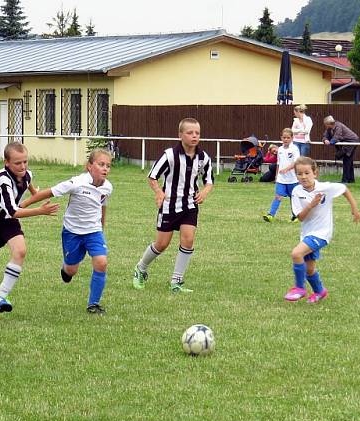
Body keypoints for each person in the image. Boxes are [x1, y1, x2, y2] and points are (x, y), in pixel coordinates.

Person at [0, 142, 59, 315]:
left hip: (8, 220)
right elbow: (13, 211)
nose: (23, 166)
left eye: (25, 161)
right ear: (6, 162)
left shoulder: (27, 174)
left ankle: (1, 297)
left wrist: (39, 198)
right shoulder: (3, 179)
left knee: (21, 251)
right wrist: (40, 211)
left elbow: (31, 191)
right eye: (18, 163)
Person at [19, 149, 114, 314]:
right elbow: (48, 192)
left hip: (93, 231)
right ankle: (66, 268)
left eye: (108, 165)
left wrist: (101, 228)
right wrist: (23, 205)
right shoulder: (76, 183)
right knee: (71, 270)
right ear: (89, 166)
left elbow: (102, 205)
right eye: (101, 164)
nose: (105, 168)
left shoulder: (108, 187)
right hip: (72, 232)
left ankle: (93, 304)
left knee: (101, 262)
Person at [133, 117, 214, 293]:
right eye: (190, 132)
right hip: (169, 205)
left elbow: (209, 181)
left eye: (197, 133)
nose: (194, 136)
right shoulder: (169, 155)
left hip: (190, 205)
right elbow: (152, 176)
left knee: (188, 239)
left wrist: (205, 193)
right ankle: (141, 268)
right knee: (161, 244)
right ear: (180, 135)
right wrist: (159, 192)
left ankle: (176, 281)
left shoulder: (203, 158)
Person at [285, 156, 360, 303]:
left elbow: (344, 189)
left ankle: (299, 288)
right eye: (299, 174)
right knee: (309, 269)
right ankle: (320, 291)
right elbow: (300, 217)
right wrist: (311, 205)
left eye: (307, 173)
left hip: (322, 234)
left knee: (296, 253)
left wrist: (355, 209)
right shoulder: (296, 191)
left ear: (315, 173)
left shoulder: (324, 187)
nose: (303, 177)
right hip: (307, 233)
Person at [262, 128, 300, 222]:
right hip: (281, 179)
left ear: (292, 138)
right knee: (278, 196)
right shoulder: (280, 150)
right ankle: (271, 215)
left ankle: (295, 216)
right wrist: (276, 175)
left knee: (293, 198)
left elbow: (296, 163)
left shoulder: (294, 149)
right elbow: (279, 163)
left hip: (292, 179)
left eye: (288, 138)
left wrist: (287, 169)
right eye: (284, 137)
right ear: (281, 138)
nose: (286, 139)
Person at [322, 115, 359, 183]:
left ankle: (345, 180)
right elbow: (325, 136)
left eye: (326, 124)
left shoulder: (338, 126)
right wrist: (325, 140)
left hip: (351, 142)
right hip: (346, 143)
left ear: (329, 124)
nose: (325, 126)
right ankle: (351, 180)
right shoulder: (329, 129)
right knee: (349, 161)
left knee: (347, 160)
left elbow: (337, 137)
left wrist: (330, 142)